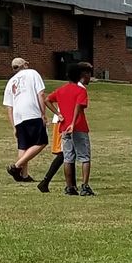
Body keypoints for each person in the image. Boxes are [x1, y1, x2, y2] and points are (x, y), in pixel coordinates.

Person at [45, 62, 95, 196]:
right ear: (80, 75)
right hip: (78, 126)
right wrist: (73, 123)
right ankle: (84, 186)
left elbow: (47, 100)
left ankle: (69, 187)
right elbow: (79, 107)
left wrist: (58, 114)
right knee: (85, 157)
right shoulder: (81, 90)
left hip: (64, 127)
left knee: (68, 158)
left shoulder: (61, 90)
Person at [3, 58, 48, 182]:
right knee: (42, 142)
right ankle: (17, 167)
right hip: (32, 112)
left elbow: (9, 107)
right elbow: (41, 94)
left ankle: (23, 175)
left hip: (18, 116)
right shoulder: (33, 73)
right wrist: (43, 114)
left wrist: (14, 126)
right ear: (25, 65)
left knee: (23, 145)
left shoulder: (10, 82)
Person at [36, 114, 69, 193]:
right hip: (63, 121)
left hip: (66, 120)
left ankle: (71, 185)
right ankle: (45, 181)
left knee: (69, 153)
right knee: (64, 153)